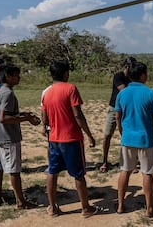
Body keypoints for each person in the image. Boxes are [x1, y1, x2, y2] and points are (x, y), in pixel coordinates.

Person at [41, 60, 103, 218]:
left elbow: (45, 118)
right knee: (78, 175)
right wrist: (89, 134)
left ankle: (53, 208)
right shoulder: (70, 88)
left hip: (53, 139)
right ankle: (85, 208)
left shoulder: (46, 93)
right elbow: (78, 115)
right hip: (71, 139)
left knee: (52, 172)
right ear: (65, 73)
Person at [115, 62, 153, 217]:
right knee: (147, 173)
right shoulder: (151, 93)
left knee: (125, 171)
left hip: (128, 138)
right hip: (146, 139)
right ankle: (150, 208)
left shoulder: (122, 93)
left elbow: (118, 116)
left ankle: (120, 205)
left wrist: (121, 132)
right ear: (143, 75)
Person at [0, 64, 41, 209]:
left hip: (4, 136)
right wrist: (26, 119)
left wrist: (24, 115)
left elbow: (8, 114)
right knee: (14, 171)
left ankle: (0, 195)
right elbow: (4, 118)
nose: (19, 78)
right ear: (8, 76)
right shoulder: (7, 93)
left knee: (3, 167)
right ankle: (20, 202)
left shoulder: (2, 91)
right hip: (9, 137)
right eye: (16, 75)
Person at [100, 57, 137, 173]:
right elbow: (125, 91)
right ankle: (104, 161)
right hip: (114, 108)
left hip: (127, 109)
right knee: (107, 135)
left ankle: (132, 162)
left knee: (128, 136)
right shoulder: (118, 76)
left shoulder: (133, 79)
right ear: (126, 67)